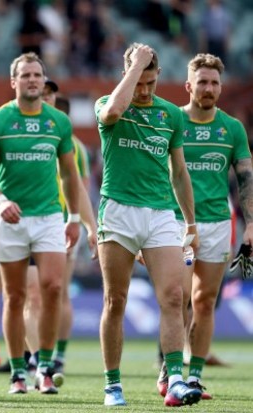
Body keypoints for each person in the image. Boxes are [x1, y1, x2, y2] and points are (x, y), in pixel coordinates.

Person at [94, 42, 202, 407]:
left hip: (160, 213)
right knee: (115, 300)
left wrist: (191, 222)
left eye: (151, 83)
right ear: (128, 75)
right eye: (140, 81)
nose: (145, 90)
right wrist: (135, 67)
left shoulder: (171, 115)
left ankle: (173, 379)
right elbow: (112, 112)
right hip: (118, 211)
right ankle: (112, 384)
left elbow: (180, 171)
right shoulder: (108, 104)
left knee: (174, 297)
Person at [0, 52, 81, 395]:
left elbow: (70, 174)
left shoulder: (59, 122)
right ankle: (17, 372)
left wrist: (75, 218)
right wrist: (0, 201)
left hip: (50, 216)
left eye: (37, 74)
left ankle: (46, 367)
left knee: (52, 288)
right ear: (14, 82)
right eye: (26, 75)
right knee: (15, 296)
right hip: (12, 217)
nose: (33, 80)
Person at [156, 53, 253, 401]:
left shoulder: (232, 128)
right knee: (177, 298)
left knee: (205, 301)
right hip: (176, 222)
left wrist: (251, 224)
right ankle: (170, 372)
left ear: (221, 87)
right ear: (189, 85)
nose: (208, 88)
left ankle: (194, 376)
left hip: (217, 223)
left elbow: (246, 177)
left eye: (213, 82)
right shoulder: (172, 121)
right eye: (202, 82)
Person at [45, 86, 98, 374]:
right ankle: (36, 353)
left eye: (49, 97)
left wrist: (88, 225)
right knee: (33, 293)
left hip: (64, 220)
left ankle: (56, 355)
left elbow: (81, 186)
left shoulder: (72, 145)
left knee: (58, 290)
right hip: (30, 219)